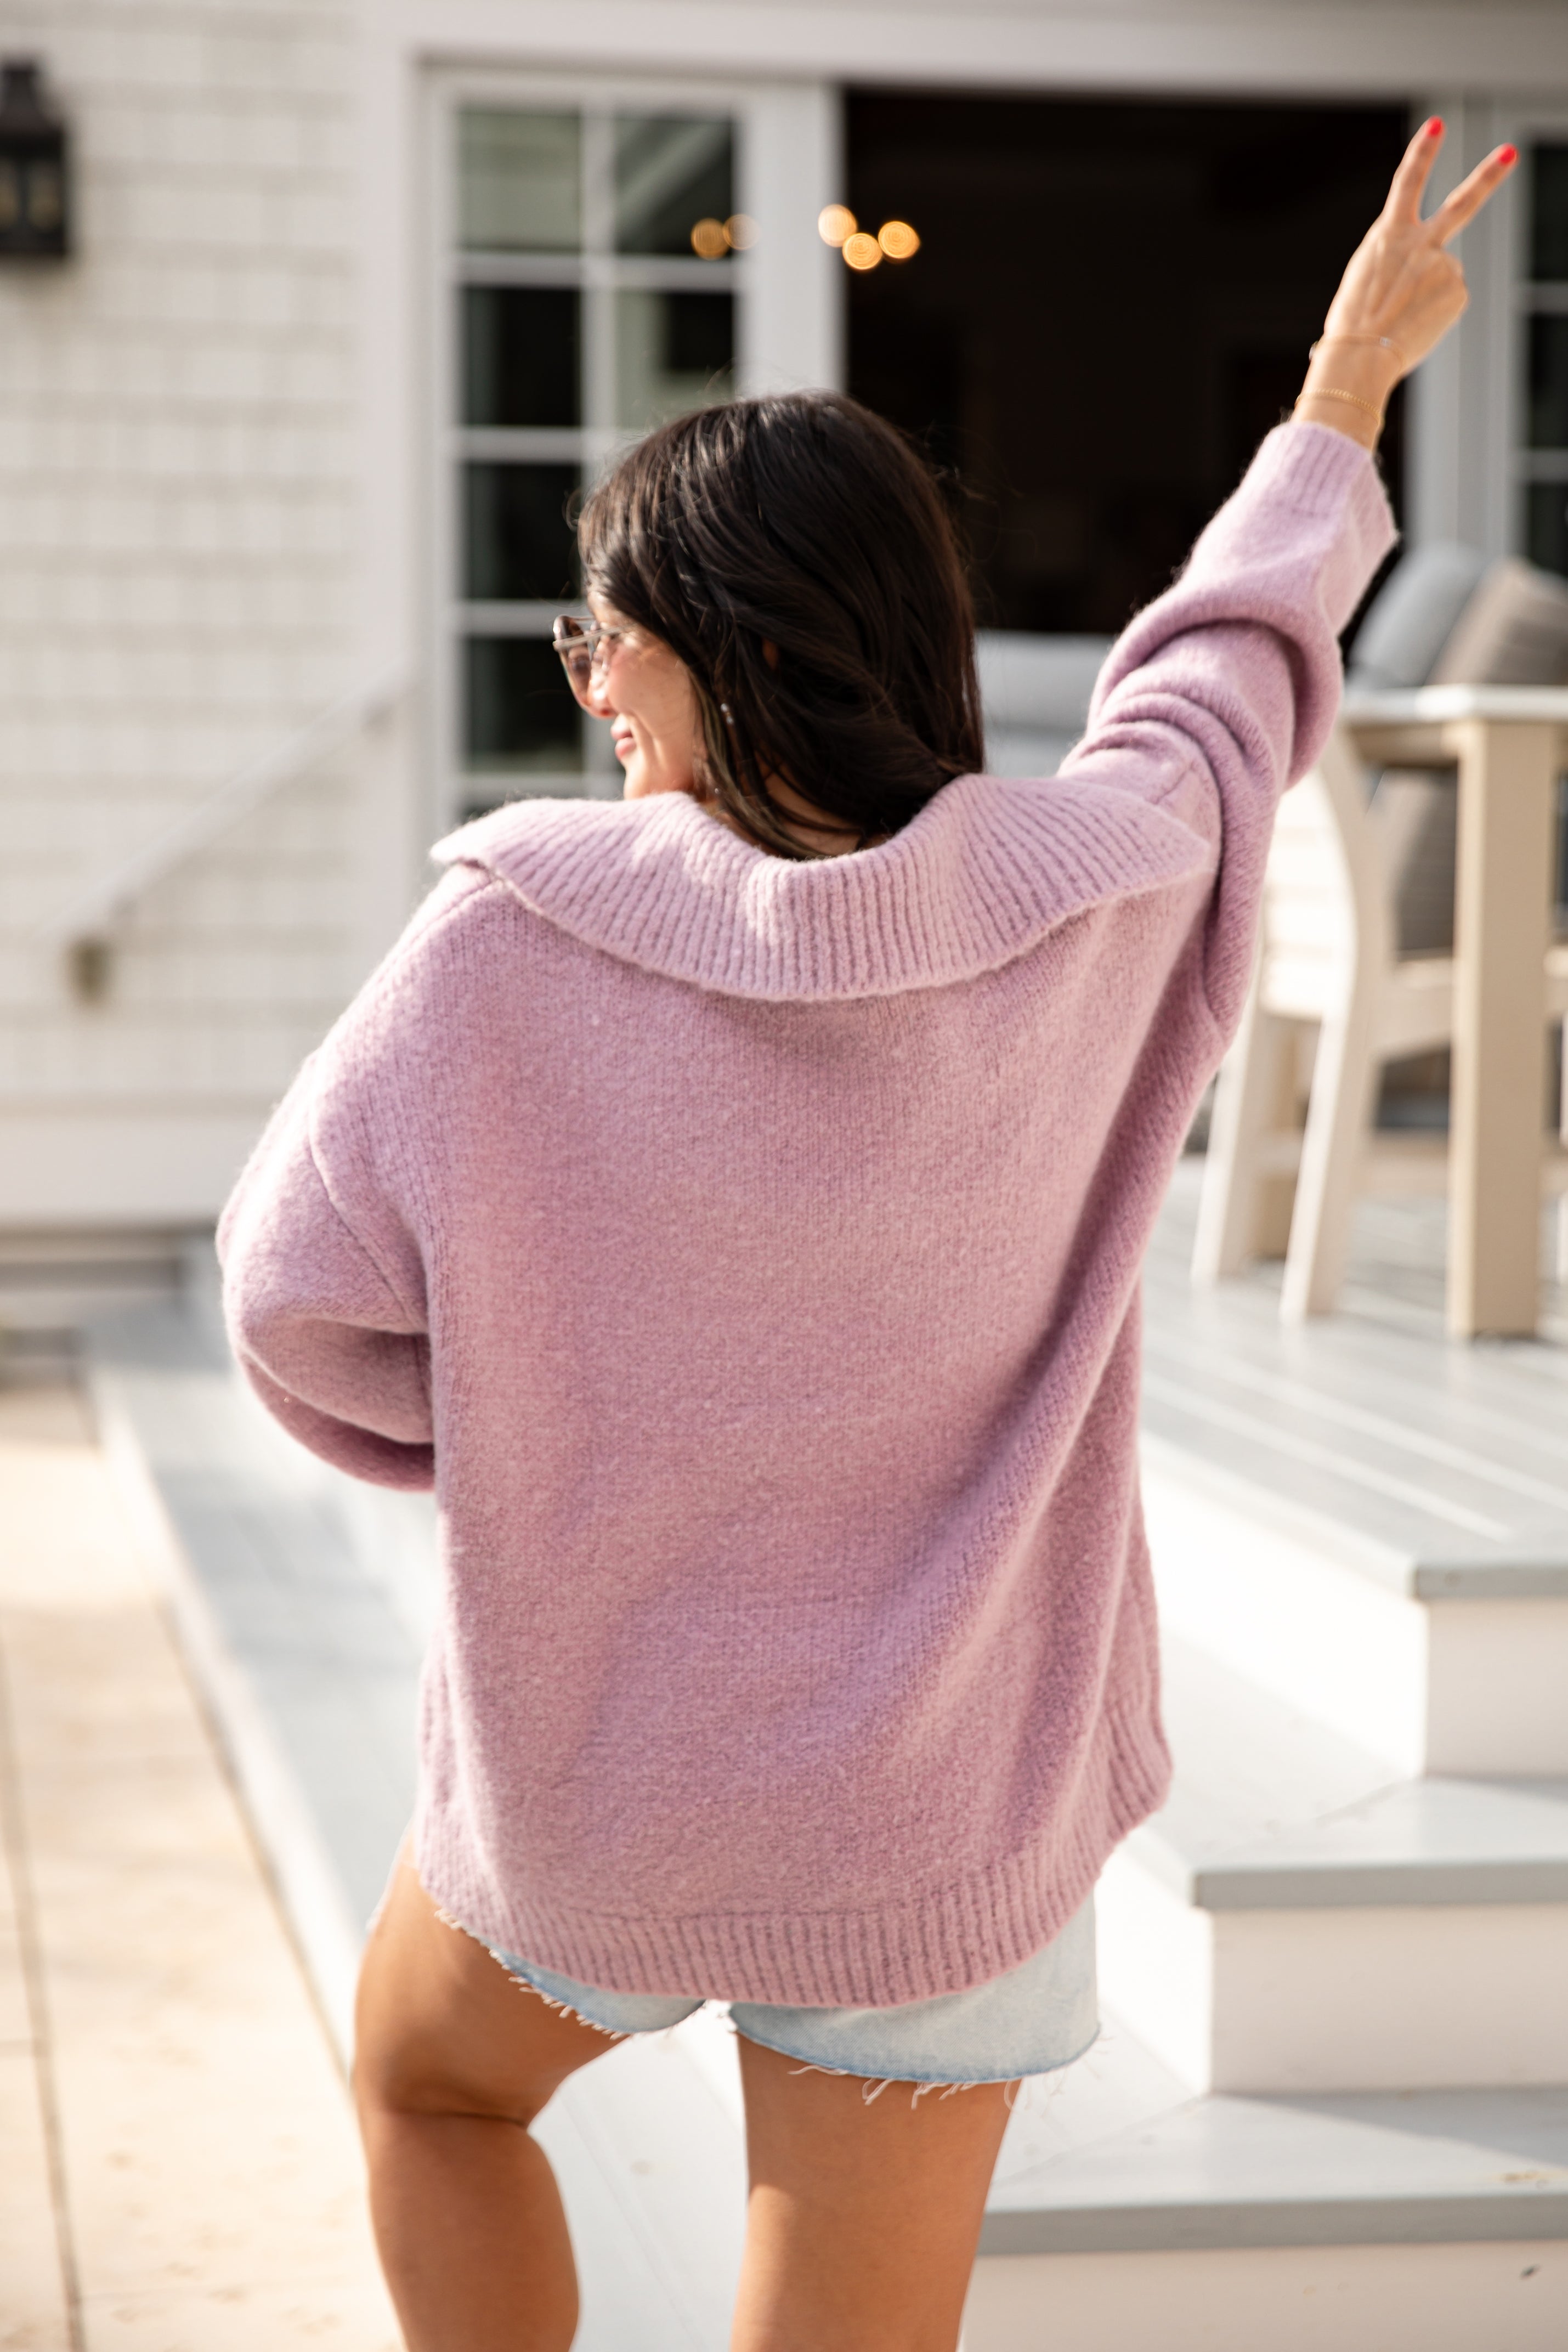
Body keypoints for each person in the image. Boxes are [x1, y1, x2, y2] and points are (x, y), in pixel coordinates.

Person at [218, 123, 1513, 2352]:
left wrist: (519, 1427)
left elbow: (286, 1298)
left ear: (689, 654)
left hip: (606, 1783)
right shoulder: (1107, 888)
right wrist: (1336, 392)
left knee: (428, 2083)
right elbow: (1220, 671)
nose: (585, 687)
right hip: (948, 1816)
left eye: (598, 640)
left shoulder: (502, 945)